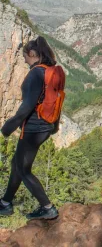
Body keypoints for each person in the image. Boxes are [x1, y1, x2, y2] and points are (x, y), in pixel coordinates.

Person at [0, 36, 59, 220]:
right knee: (17, 164)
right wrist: (54, 126)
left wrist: (7, 128)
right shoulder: (49, 71)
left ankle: (48, 208)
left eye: (25, 56)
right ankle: (5, 203)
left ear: (32, 54)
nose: (24, 60)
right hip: (45, 126)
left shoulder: (35, 73)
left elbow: (27, 106)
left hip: (34, 128)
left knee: (23, 169)